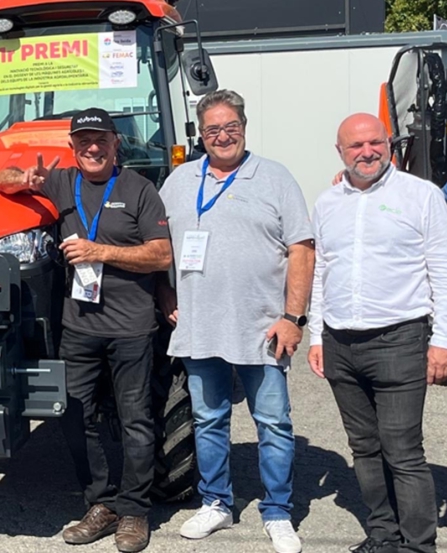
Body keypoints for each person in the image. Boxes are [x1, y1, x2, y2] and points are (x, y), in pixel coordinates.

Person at [0, 107, 172, 553]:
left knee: (136, 420)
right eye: (83, 142)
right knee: (73, 414)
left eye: (100, 141)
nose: (92, 148)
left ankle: (133, 510)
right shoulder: (63, 182)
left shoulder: (140, 189)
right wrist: (24, 178)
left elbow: (161, 255)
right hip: (79, 326)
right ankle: (101, 502)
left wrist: (99, 250)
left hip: (131, 326)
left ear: (116, 144)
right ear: (73, 148)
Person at [157, 90, 314, 553]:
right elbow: (159, 247)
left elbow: (302, 250)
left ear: (244, 127)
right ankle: (217, 503)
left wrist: (293, 317)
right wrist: (165, 294)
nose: (222, 136)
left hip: (262, 329)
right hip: (200, 327)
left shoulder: (275, 178)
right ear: (200, 134)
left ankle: (278, 511)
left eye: (230, 127)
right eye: (212, 130)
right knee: (208, 420)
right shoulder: (180, 181)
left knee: (273, 423)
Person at [307, 113, 447, 553]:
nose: (367, 152)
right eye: (356, 146)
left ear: (389, 144)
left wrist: (444, 341)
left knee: (403, 450)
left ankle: (417, 544)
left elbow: (445, 273)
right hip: (340, 341)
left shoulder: (422, 197)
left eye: (375, 142)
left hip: (400, 339)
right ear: (340, 153)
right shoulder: (327, 203)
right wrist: (317, 336)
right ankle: (383, 535)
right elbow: (321, 275)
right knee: (364, 448)